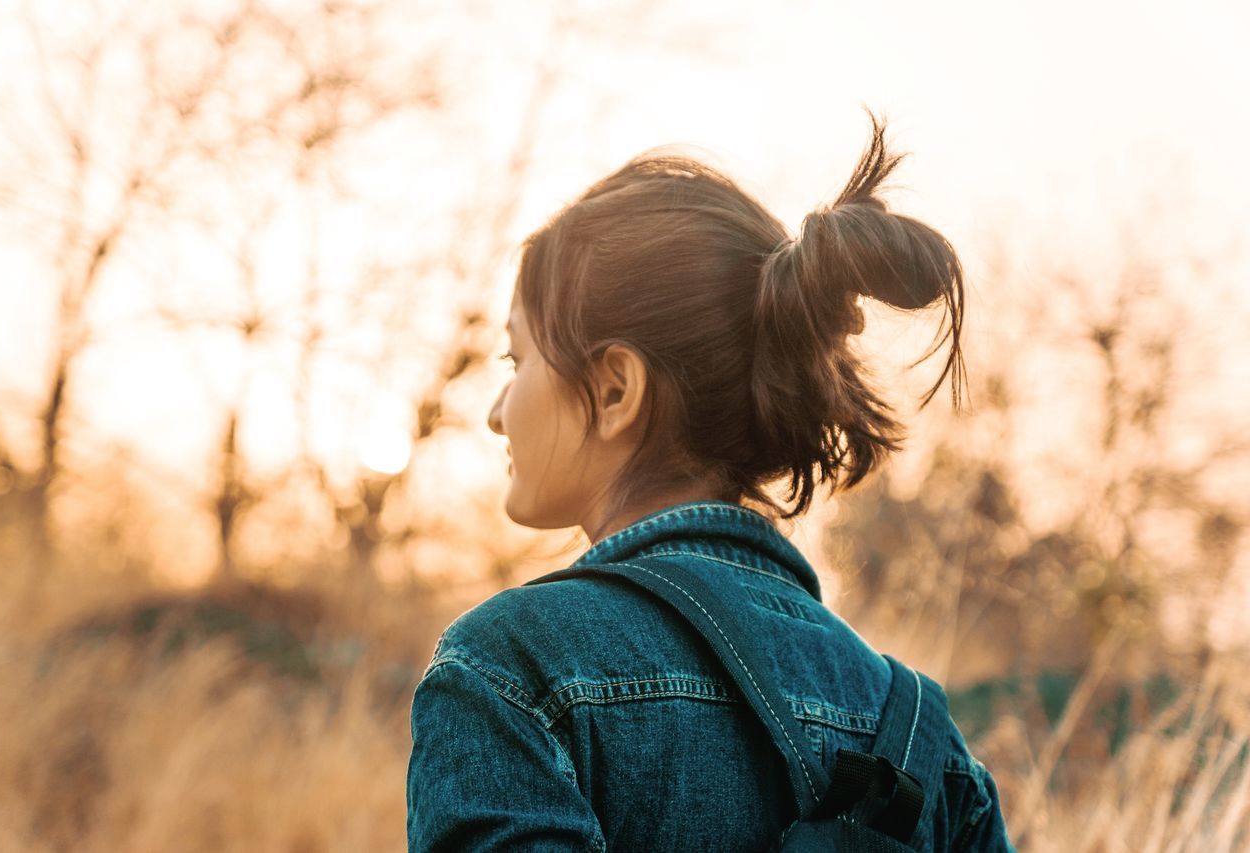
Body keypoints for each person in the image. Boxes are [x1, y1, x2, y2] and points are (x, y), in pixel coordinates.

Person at [406, 113, 1014, 851]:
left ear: (614, 390)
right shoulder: (924, 740)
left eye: (517, 359)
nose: (499, 412)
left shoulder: (513, 672)